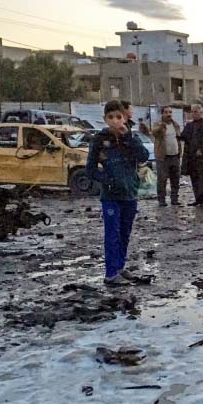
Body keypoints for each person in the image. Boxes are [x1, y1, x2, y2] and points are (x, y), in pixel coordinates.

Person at [85, 100, 150, 286]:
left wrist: (129, 137)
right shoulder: (99, 140)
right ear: (105, 119)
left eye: (118, 117)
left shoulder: (131, 137)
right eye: (110, 117)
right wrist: (108, 180)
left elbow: (144, 156)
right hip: (111, 196)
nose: (115, 121)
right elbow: (90, 169)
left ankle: (120, 267)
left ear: (124, 117)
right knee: (112, 233)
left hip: (130, 193)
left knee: (124, 232)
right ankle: (111, 273)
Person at [181, 104, 203, 206]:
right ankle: (198, 198)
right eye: (193, 112)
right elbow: (184, 137)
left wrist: (202, 149)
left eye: (196, 111)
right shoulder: (189, 126)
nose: (194, 114)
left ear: (201, 113)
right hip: (191, 158)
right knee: (194, 178)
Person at [151, 106, 182, 206]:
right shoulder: (158, 125)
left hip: (175, 156)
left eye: (170, 112)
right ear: (162, 114)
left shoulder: (175, 125)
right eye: (166, 112)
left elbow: (178, 138)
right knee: (162, 179)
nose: (169, 114)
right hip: (163, 157)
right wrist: (161, 127)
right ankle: (161, 200)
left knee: (175, 179)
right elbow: (154, 133)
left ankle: (174, 199)